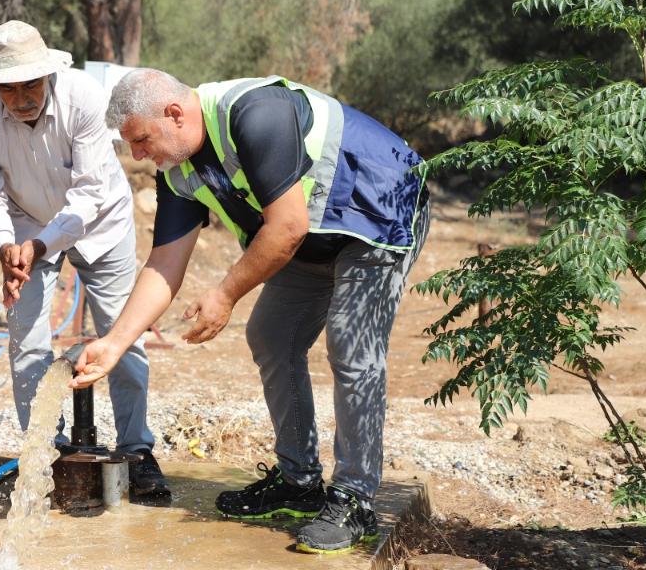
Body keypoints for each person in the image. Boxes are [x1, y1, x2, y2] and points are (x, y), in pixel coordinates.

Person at [70, 68, 429, 553]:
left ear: (174, 114)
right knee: (272, 335)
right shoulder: (177, 169)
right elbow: (165, 263)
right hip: (313, 236)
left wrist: (224, 294)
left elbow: (287, 227)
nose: (136, 155)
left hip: (379, 212)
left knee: (351, 345)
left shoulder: (255, 113)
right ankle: (299, 483)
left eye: (140, 139)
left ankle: (355, 500)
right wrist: (115, 343)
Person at [0, 20, 170, 502]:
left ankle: (137, 450)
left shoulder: (84, 97)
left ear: (48, 73)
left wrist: (39, 246)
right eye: (8, 88)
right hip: (24, 226)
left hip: (100, 223)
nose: (20, 98)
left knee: (120, 333)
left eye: (30, 84)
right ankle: (42, 455)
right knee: (26, 341)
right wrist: (6, 245)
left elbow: (90, 193)